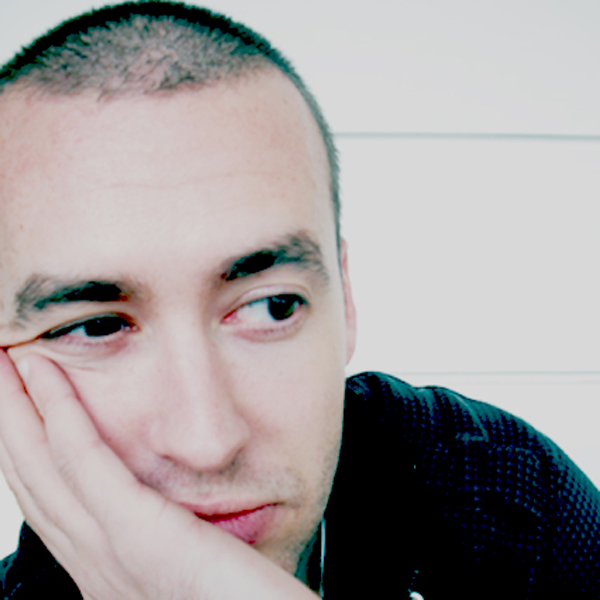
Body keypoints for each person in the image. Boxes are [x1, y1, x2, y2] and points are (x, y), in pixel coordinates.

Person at [0, 2, 598, 599]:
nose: (208, 444)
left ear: (346, 300)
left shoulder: (508, 503)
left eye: (272, 307)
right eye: (97, 327)